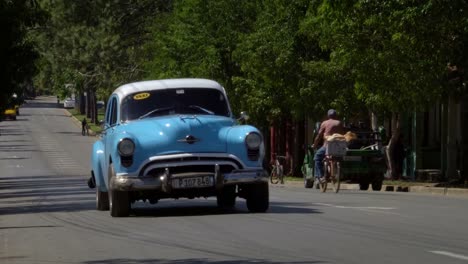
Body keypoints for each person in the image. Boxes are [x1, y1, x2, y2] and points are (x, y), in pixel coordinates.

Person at [313, 109, 345, 183]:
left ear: (328, 116)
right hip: (338, 147)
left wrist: (315, 145)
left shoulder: (325, 123)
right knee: (338, 157)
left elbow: (319, 136)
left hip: (328, 146)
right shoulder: (339, 123)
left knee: (317, 158)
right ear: (335, 115)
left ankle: (321, 177)